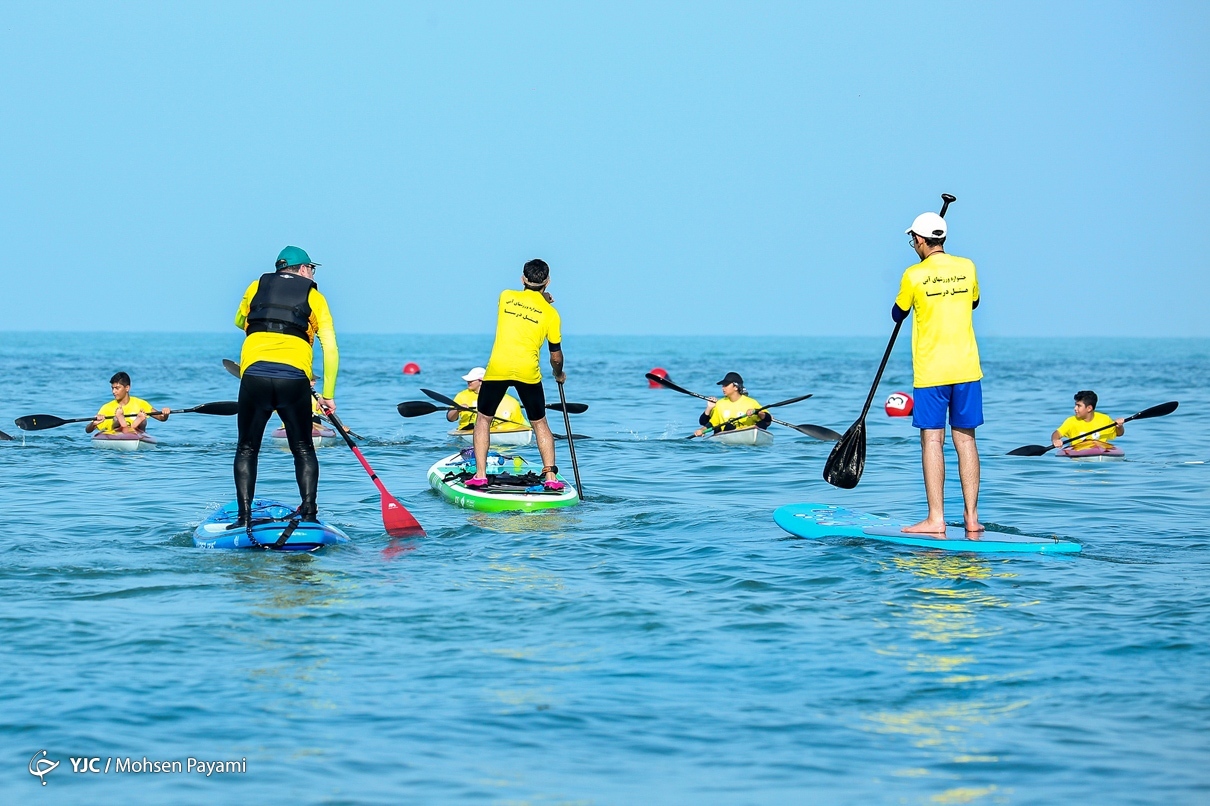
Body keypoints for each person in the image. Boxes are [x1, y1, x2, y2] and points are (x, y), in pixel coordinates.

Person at [231, 246, 339, 527]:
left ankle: (244, 518)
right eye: (311, 268)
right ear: (303, 270)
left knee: (246, 448)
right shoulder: (314, 297)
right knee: (303, 448)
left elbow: (239, 320)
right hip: (293, 379)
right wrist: (327, 395)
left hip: (254, 375)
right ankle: (310, 515)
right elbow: (331, 348)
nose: (313, 273)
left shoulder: (256, 285)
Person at [893, 211, 983, 534]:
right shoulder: (968, 267)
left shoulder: (913, 275)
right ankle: (972, 518)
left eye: (911, 240)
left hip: (932, 371)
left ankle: (936, 518)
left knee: (933, 440)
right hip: (967, 368)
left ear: (919, 240)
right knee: (966, 440)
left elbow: (897, 313)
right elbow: (973, 302)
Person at [468, 259, 565, 490]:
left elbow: (526, 304)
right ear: (548, 281)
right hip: (527, 372)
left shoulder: (505, 297)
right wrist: (558, 374)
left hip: (498, 369)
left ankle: (480, 474)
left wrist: (541, 297)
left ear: (522, 279)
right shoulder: (552, 315)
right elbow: (556, 357)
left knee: (483, 419)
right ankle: (551, 479)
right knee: (540, 423)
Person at [447, 367, 530, 433]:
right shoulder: (462, 396)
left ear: (481, 381)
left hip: (497, 431)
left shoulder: (502, 397)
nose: (468, 382)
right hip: (467, 431)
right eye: (468, 380)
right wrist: (457, 410)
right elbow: (450, 418)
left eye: (471, 380)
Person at [85, 372, 169, 434]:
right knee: (116, 420)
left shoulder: (140, 403)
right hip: (117, 435)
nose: (114, 391)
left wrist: (165, 414)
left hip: (137, 435)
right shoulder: (106, 407)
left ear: (127, 388)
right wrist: (93, 424)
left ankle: (134, 422)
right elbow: (88, 430)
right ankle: (120, 420)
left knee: (143, 421)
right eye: (112, 388)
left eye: (117, 388)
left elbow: (161, 418)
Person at [693, 372, 771, 436]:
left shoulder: (751, 402)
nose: (723, 388)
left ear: (736, 387)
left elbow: (768, 420)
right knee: (728, 426)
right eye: (722, 386)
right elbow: (711, 423)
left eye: (726, 385)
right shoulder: (720, 404)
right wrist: (702, 430)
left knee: (763, 423)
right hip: (726, 436)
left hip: (748, 433)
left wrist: (757, 412)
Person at [1051, 391, 1124, 450]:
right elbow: (1056, 434)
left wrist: (1119, 426)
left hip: (1101, 453)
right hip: (1078, 455)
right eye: (1075, 405)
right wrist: (1055, 440)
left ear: (1089, 408)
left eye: (1079, 406)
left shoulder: (1104, 419)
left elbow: (1119, 433)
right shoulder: (1071, 421)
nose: (1075, 408)